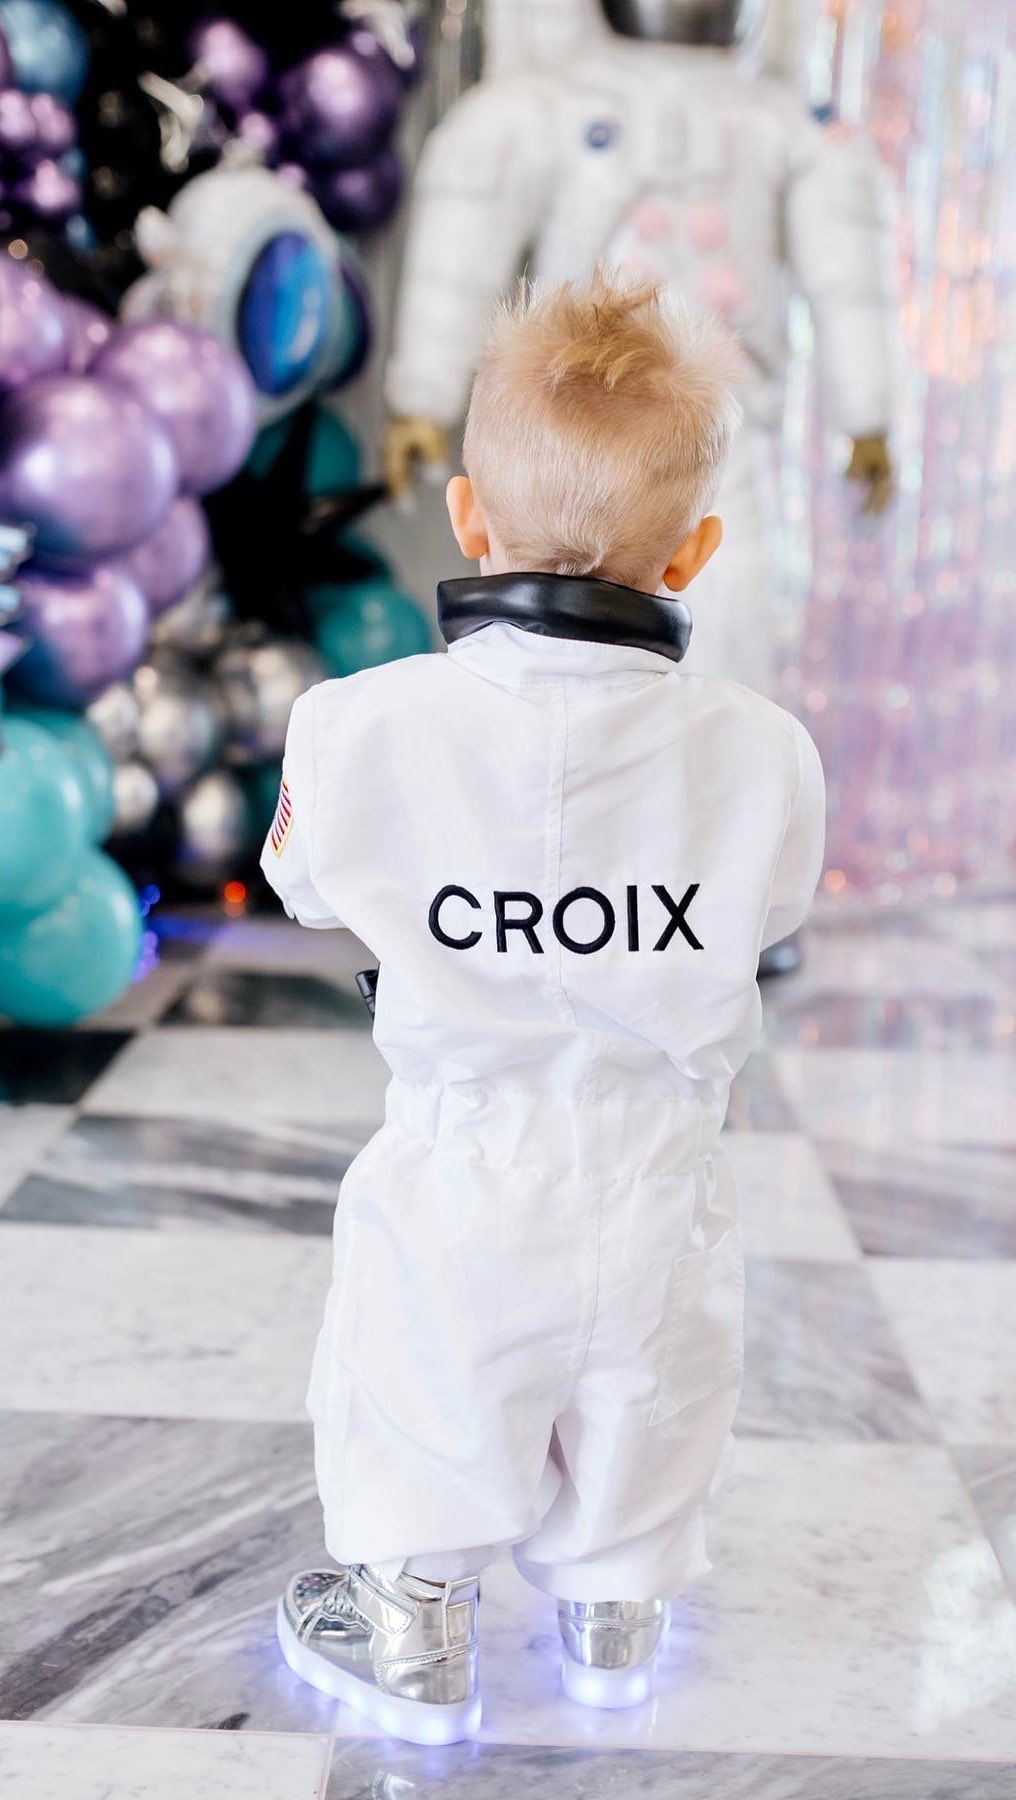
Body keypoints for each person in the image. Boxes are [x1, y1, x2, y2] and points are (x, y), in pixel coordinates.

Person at [262, 274, 825, 1746]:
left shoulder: (359, 725)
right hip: (661, 1163)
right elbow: (769, 915)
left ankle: (412, 1628)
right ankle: (616, 1620)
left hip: (465, 1161)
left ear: (467, 521)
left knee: (421, 1380)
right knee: (654, 1387)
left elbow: (304, 884)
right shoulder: (765, 750)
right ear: (693, 553)